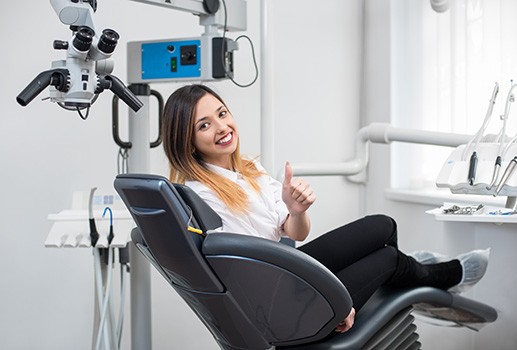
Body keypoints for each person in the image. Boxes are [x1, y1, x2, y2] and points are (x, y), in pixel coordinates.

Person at [161, 84, 489, 334]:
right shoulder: (202, 194)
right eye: (204, 125)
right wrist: (335, 303)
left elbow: (295, 234)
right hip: (278, 301)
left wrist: (296, 209)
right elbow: (247, 271)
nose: (221, 127)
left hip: (285, 274)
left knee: (382, 226)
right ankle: (438, 276)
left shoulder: (247, 169)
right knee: (388, 259)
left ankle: (410, 270)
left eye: (221, 113)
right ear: (187, 141)